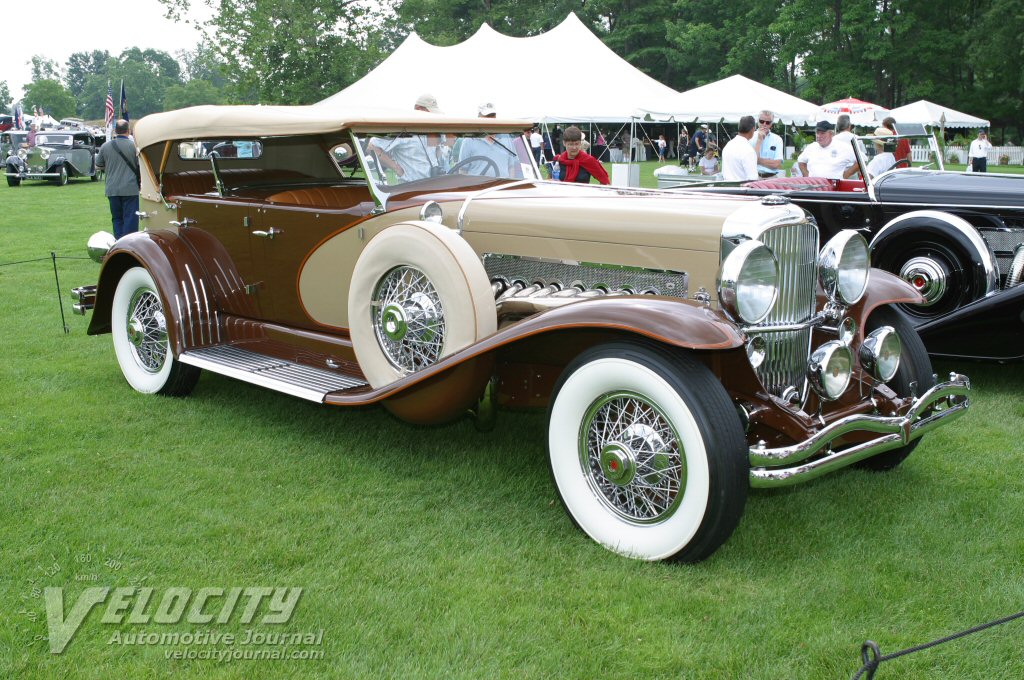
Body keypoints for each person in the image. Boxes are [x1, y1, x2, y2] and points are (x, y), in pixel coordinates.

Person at [367, 93, 445, 181]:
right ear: (418, 109)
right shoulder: (401, 129)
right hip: (408, 188)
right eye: (430, 113)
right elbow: (372, 147)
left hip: (433, 186)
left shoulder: (433, 129)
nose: (432, 116)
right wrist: (396, 168)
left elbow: (439, 150)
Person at [95, 119, 141, 239]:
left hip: (112, 188)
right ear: (128, 131)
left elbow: (98, 166)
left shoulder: (105, 147)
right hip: (130, 188)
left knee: (117, 218)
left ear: (115, 131)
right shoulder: (134, 147)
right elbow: (140, 166)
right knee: (130, 219)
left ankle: (119, 243)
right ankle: (129, 245)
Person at [456, 103, 517, 177]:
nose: (490, 120)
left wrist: (509, 187)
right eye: (487, 116)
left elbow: (511, 167)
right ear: (479, 118)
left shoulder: (506, 137)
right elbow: (463, 170)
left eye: (492, 116)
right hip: (479, 187)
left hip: (502, 187)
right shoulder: (469, 140)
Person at [721, 116, 759, 182]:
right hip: (741, 190)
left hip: (726, 187)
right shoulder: (748, 150)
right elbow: (753, 179)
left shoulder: (728, 145)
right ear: (753, 129)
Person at [752, 110, 784, 178]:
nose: (764, 124)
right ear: (758, 121)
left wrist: (758, 160)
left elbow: (776, 164)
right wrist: (759, 141)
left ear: (771, 124)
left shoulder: (777, 139)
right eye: (762, 121)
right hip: (755, 176)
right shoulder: (751, 137)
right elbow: (749, 161)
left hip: (772, 176)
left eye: (768, 122)